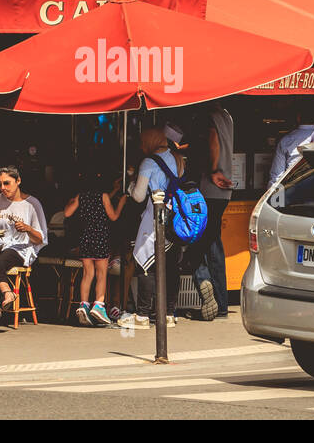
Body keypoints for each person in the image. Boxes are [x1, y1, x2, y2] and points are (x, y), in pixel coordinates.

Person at [121, 127, 182, 330]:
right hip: (175, 216)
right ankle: (169, 314)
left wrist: (129, 187)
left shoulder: (148, 162)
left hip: (155, 215)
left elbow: (138, 195)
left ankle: (143, 314)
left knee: (145, 262)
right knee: (171, 266)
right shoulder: (176, 157)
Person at [0, 166, 48, 330]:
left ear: (18, 181)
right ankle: (2, 300)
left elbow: (41, 239)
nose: (2, 188)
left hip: (20, 248)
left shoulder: (31, 204)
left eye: (7, 183)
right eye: (0, 183)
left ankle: (0, 302)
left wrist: (28, 228)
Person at [64, 169, 128, 326]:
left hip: (85, 238)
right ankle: (98, 305)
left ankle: (83, 304)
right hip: (100, 238)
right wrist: (120, 204)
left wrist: (71, 201)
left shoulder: (81, 197)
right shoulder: (103, 196)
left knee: (87, 274)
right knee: (101, 274)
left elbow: (67, 213)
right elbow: (113, 216)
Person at [188, 101, 233, 321]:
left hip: (208, 189)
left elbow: (213, 140)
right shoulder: (226, 115)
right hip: (223, 193)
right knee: (214, 246)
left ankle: (204, 283)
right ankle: (221, 304)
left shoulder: (208, 115)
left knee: (195, 245)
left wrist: (213, 169)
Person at [268, 111, 314, 188]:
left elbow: (277, 175)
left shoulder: (286, 140)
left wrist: (275, 197)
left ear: (298, 118)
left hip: (293, 189)